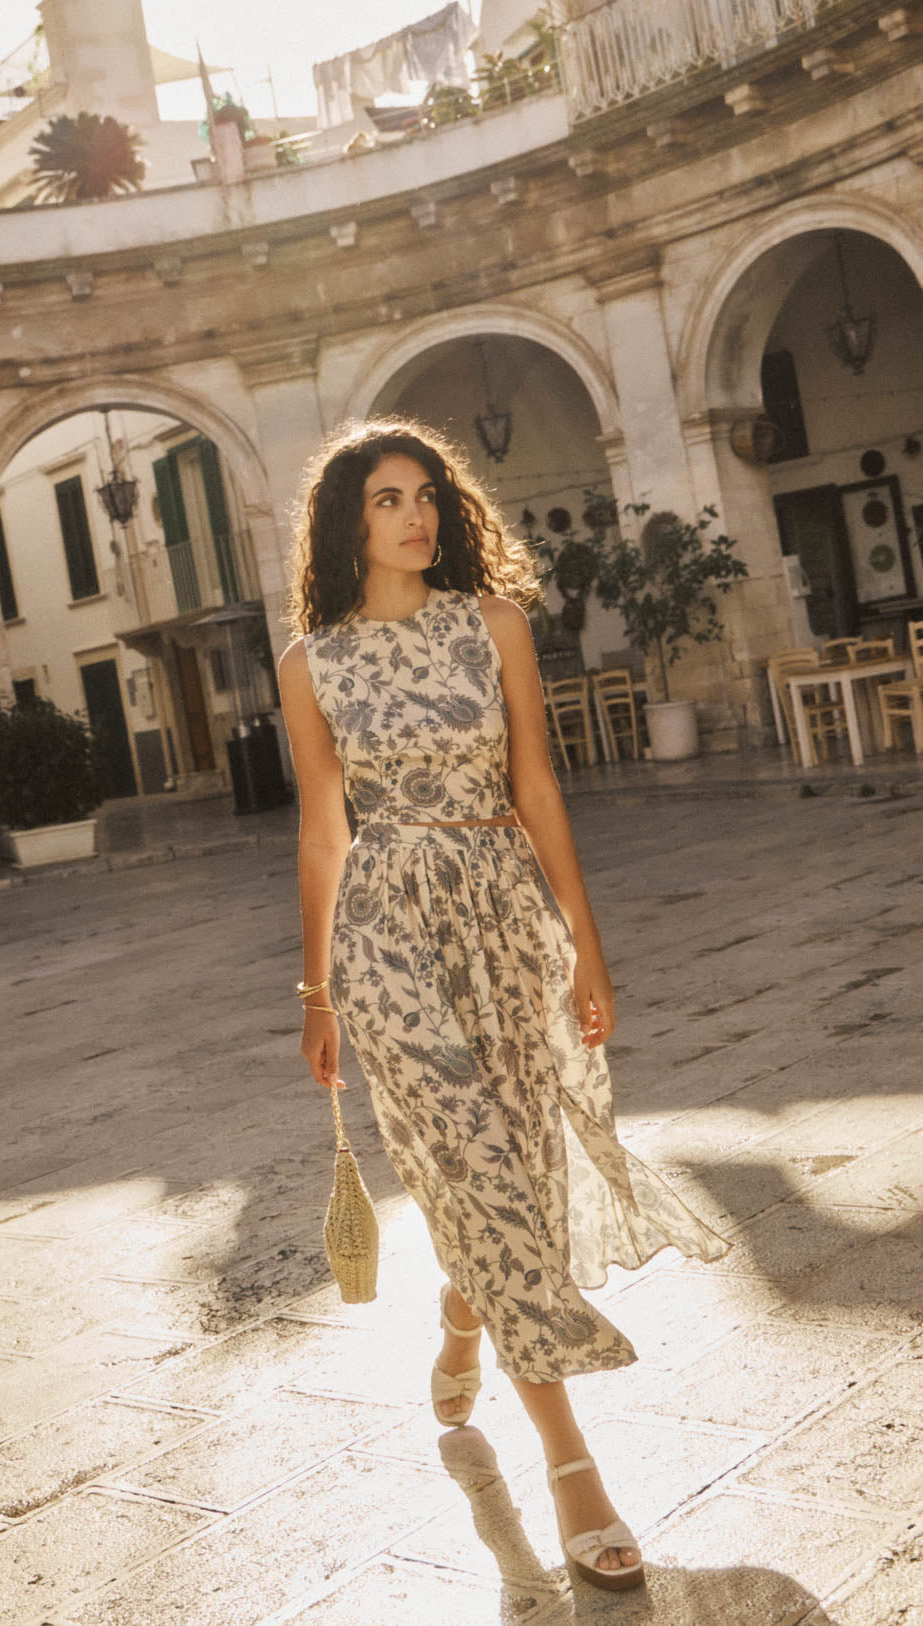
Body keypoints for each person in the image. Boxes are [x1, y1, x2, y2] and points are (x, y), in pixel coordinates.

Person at [277, 419, 732, 1593]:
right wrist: (319, 989)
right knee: (476, 1167)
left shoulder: (494, 625)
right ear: (347, 522)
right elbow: (324, 831)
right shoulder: (310, 662)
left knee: (518, 1168)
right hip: (386, 933)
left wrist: (586, 944)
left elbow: (535, 783)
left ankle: (465, 1310)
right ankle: (571, 1462)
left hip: (501, 917)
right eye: (388, 499)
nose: (417, 515)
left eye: (428, 494)